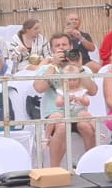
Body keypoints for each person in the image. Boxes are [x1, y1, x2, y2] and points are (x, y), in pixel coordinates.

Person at [34, 34, 98, 167]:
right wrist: (54, 65)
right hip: (55, 113)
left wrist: (79, 69)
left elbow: (93, 91)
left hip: (78, 113)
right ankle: (54, 168)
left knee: (86, 127)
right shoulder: (46, 69)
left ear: (71, 47)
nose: (62, 48)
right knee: (62, 126)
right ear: (52, 50)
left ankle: (91, 166)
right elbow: (39, 88)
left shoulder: (83, 69)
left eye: (64, 45)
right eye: (57, 46)